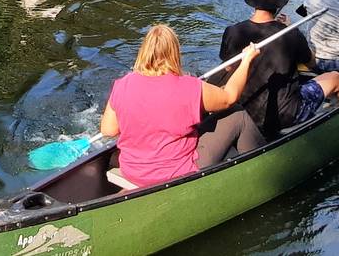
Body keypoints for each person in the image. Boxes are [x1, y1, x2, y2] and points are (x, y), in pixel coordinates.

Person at [99, 24, 265, 189]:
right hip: (177, 172)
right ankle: (263, 168)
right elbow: (229, 97)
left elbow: (108, 130)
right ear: (175, 53)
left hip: (133, 171)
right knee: (237, 115)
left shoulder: (122, 85)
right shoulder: (189, 86)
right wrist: (246, 60)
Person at [219, 0, 339, 139]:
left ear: (254, 4)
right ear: (276, 4)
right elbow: (311, 63)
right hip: (288, 115)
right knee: (335, 78)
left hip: (246, 112)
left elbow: (228, 68)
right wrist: (290, 28)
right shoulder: (291, 34)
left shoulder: (233, 31)